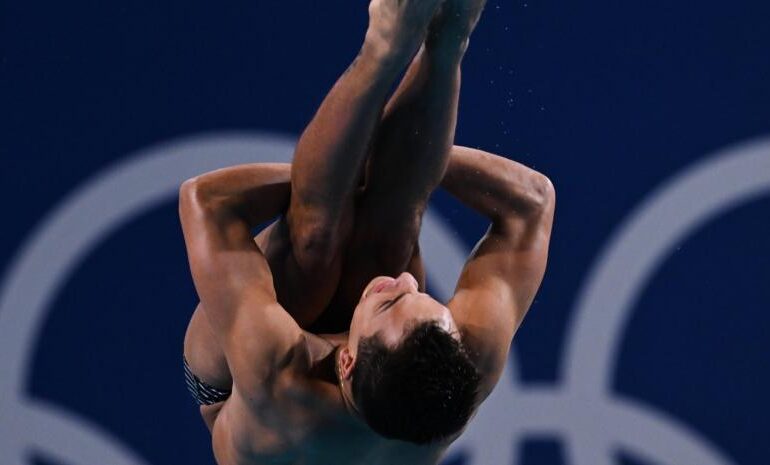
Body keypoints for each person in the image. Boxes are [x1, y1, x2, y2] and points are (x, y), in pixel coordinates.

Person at [180, 0, 555, 463]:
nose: (410, 281)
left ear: (346, 360)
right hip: (376, 375)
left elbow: (208, 202)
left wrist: (353, 169)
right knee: (394, 233)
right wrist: (412, 168)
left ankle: (383, 44)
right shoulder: (468, 360)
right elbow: (532, 203)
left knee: (314, 243)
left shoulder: (277, 375)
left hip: (230, 383)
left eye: (394, 299)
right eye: (422, 298)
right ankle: (448, 39)